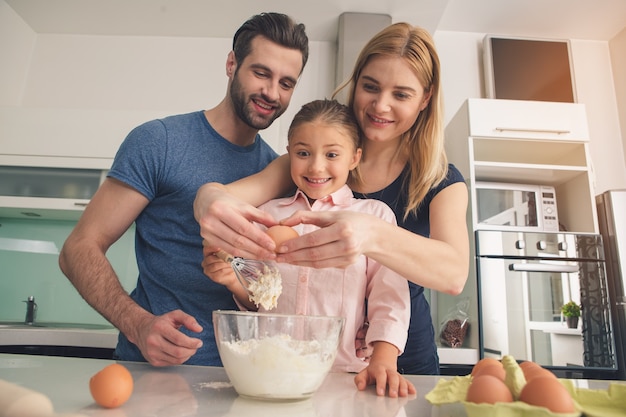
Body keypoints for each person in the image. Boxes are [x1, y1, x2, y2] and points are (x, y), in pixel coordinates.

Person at [194, 21, 469, 387]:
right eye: (370, 87)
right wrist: (207, 198)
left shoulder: (440, 180)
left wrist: (369, 235)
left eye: (401, 94)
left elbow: (452, 275)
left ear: (425, 99)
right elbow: (222, 202)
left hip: (398, 358)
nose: (380, 105)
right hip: (308, 360)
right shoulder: (315, 161)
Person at [58, 12, 309, 367]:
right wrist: (138, 324)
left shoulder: (279, 173)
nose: (272, 92)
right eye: (261, 73)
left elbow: (267, 287)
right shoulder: (159, 141)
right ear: (231, 63)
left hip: (244, 375)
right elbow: (78, 248)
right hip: (151, 369)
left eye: (287, 83)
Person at [205, 99, 415, 396]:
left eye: (332, 154)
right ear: (289, 153)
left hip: (344, 377)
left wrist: (383, 359)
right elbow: (261, 298)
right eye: (303, 153)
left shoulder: (374, 217)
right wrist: (232, 280)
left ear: (354, 158)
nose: (316, 166)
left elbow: (389, 296)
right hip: (273, 372)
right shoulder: (267, 215)